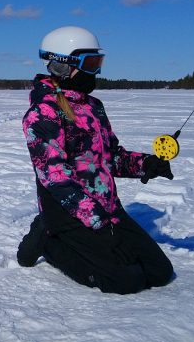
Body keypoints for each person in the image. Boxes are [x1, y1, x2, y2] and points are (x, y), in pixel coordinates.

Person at [17, 25, 175, 294]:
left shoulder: (93, 107)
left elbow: (110, 156)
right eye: (90, 63)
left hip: (108, 208)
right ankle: (48, 240)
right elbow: (55, 179)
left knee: (160, 273)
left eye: (97, 62)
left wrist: (146, 164)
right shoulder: (43, 113)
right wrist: (97, 221)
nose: (95, 72)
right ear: (62, 67)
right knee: (126, 280)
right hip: (70, 213)